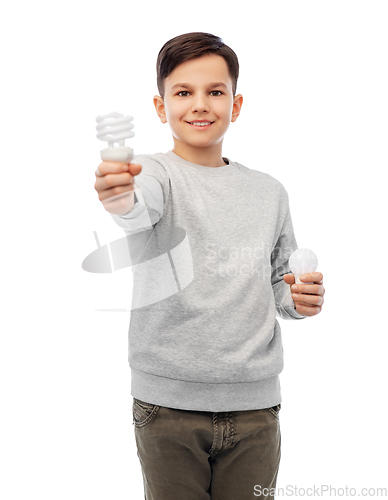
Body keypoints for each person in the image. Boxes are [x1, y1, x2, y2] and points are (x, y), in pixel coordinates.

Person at [94, 32, 325, 500]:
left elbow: (280, 285)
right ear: (161, 108)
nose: (200, 104)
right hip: (166, 409)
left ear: (235, 105)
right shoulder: (153, 173)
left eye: (214, 92)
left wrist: (300, 300)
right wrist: (120, 197)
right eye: (183, 92)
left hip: (256, 409)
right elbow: (139, 207)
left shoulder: (269, 191)